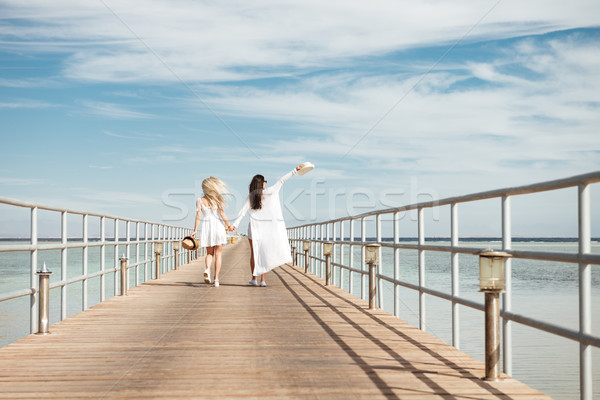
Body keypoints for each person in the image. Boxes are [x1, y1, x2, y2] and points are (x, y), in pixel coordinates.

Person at [231, 165, 302, 287]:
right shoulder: (271, 191)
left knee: (254, 253)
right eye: (264, 181)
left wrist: (234, 225)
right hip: (266, 230)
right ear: (261, 183)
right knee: (263, 253)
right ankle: (262, 280)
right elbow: (282, 180)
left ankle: (254, 278)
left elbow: (242, 212)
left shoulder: (251, 196)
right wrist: (295, 170)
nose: (265, 183)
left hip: (253, 229)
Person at [191, 177, 231, 287]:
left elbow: (198, 216)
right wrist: (228, 225)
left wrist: (194, 231)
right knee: (218, 254)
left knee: (209, 253)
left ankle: (207, 269)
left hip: (207, 227)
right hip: (218, 226)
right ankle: (216, 279)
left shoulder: (199, 200)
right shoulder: (217, 199)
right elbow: (222, 214)